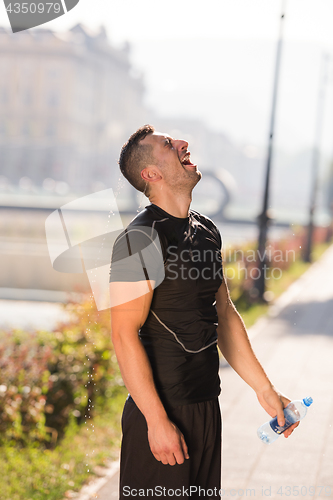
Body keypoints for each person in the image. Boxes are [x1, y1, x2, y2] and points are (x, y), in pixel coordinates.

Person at [109, 124, 298, 499]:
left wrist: (266, 390)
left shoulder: (207, 231)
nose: (183, 143)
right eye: (168, 144)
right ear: (151, 174)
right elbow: (122, 334)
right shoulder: (139, 239)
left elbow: (224, 315)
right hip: (162, 413)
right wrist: (156, 420)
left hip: (206, 407)